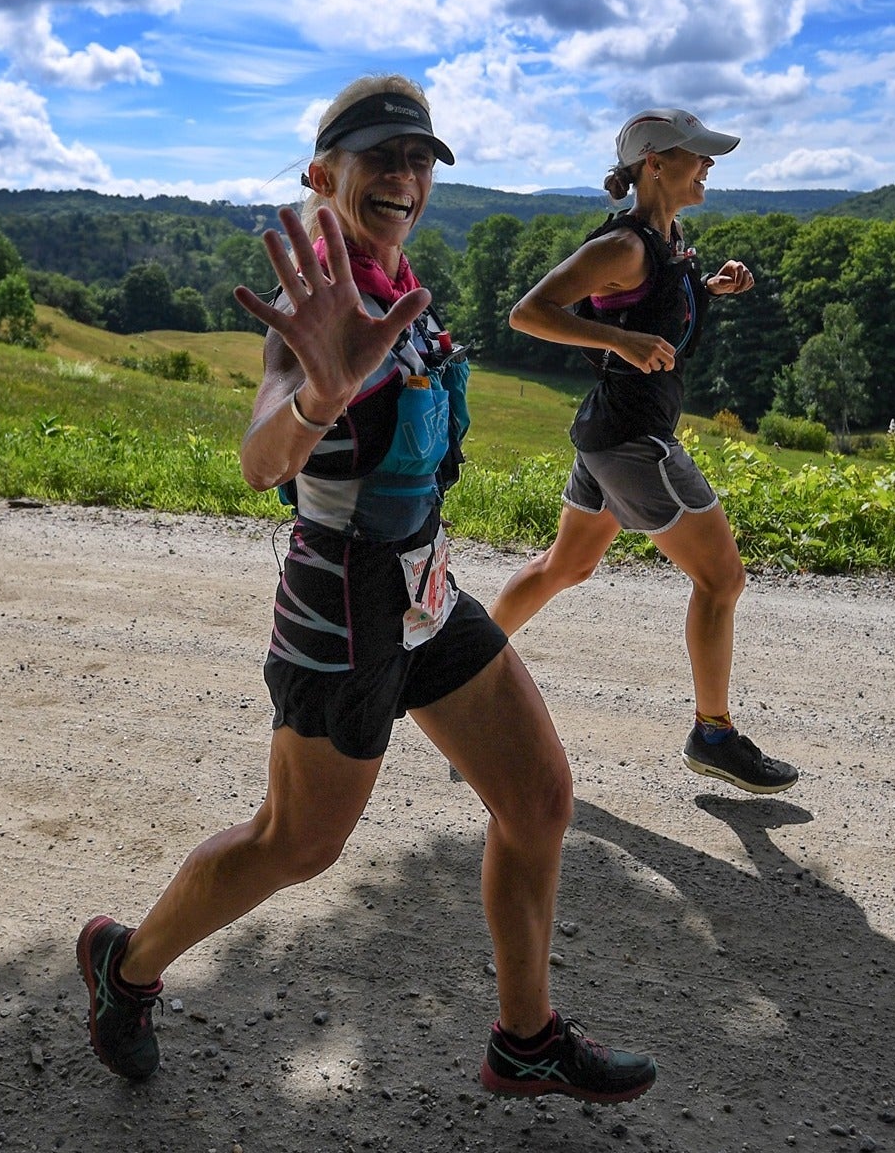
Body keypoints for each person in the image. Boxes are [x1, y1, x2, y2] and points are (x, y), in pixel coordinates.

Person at [77, 76, 656, 1104]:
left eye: (418, 158)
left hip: (423, 589)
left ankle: (524, 1040)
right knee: (294, 844)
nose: (404, 176)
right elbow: (261, 460)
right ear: (321, 174)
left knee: (538, 801)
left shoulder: (397, 284)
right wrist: (318, 395)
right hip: (341, 606)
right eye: (379, 156)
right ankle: (125, 966)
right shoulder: (316, 309)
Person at [488, 108, 801, 795]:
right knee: (721, 580)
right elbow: (528, 313)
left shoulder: (668, 241)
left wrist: (707, 290)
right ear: (654, 164)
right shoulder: (623, 246)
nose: (709, 165)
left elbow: (648, 305)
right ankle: (712, 735)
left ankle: (459, 668)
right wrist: (618, 341)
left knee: (565, 566)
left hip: (609, 434)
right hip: (634, 441)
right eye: (698, 155)